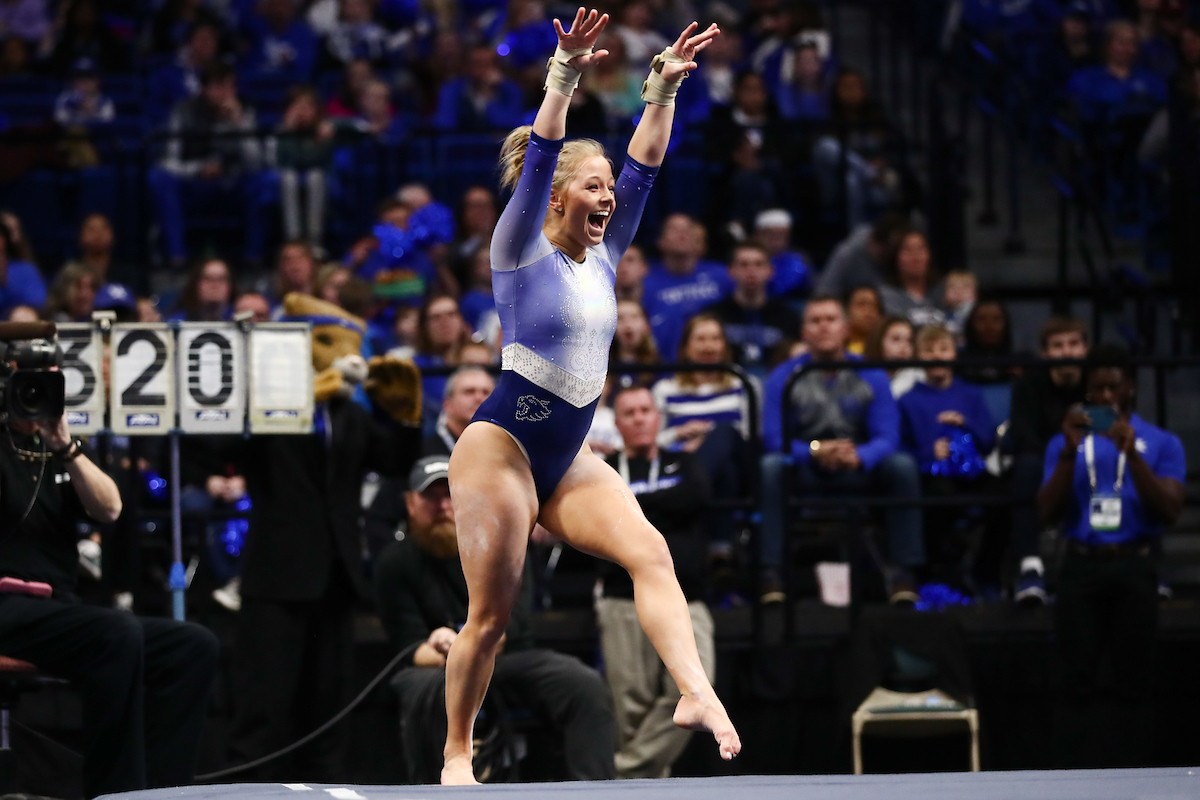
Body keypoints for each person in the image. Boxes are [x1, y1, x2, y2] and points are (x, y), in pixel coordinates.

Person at [440, 10, 740, 784]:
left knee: (651, 553)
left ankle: (695, 692)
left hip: (566, 454)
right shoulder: (517, 250)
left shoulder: (605, 257)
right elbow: (540, 155)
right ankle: (457, 753)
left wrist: (662, 89)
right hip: (500, 446)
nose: (609, 198)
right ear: (558, 198)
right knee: (491, 620)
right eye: (593, 188)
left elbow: (645, 163)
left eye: (610, 190)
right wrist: (564, 76)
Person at [225, 294, 422, 781]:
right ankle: (250, 793)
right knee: (264, 709)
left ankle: (325, 790)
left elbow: (395, 463)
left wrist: (404, 419)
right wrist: (295, 398)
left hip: (336, 577)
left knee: (330, 708)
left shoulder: (350, 415)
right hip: (277, 577)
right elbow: (226, 449)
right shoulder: (268, 405)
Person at [0, 407, 218, 797]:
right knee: (116, 631)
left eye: (49, 382)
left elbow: (109, 508)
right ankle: (117, 793)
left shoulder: (60, 448)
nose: (38, 395)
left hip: (53, 609)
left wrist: (65, 446)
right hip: (5, 605)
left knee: (191, 645)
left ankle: (163, 793)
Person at [373, 456, 616, 783]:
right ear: (411, 504)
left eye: (450, 494)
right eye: (431, 496)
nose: (444, 505)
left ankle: (594, 789)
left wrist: (463, 643)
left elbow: (511, 626)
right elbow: (408, 647)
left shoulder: (503, 543)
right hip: (435, 666)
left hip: (505, 655)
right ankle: (430, 787)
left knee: (581, 683)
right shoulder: (394, 563)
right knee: (425, 690)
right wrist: (444, 647)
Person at [1038, 344, 1184, 768]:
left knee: (1134, 683)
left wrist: (1131, 455)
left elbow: (1170, 510)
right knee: (1073, 682)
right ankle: (1066, 781)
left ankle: (1139, 781)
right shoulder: (1064, 443)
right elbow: (1045, 511)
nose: (1104, 398)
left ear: (1131, 389)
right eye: (1096, 388)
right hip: (1081, 565)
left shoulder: (1162, 442)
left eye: (1113, 388)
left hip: (1135, 566)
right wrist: (1068, 452)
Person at [761, 296, 923, 604]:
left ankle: (903, 572)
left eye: (831, 319)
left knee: (901, 465)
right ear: (804, 332)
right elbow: (773, 438)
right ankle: (771, 573)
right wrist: (814, 450)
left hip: (858, 468)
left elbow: (887, 436)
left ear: (846, 329)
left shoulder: (871, 374)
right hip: (807, 468)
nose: (823, 327)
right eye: (815, 320)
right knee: (770, 467)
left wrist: (860, 456)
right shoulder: (784, 375)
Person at [599, 386, 714, 778]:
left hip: (688, 599)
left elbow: (697, 497)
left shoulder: (683, 463)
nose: (639, 418)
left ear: (658, 417)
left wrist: (631, 511)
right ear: (617, 424)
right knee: (630, 701)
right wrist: (661, 511)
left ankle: (623, 774)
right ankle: (647, 786)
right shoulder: (605, 470)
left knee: (695, 690)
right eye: (629, 413)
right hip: (621, 598)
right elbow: (598, 518)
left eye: (646, 410)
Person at [148, 63, 276, 269]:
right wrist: (198, 169)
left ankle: (254, 258)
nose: (226, 93)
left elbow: (255, 164)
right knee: (159, 178)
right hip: (193, 185)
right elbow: (168, 160)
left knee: (265, 182)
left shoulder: (245, 110)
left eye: (230, 86)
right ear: (204, 89)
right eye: (219, 86)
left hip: (232, 184)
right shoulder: (184, 110)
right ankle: (176, 257)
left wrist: (239, 123)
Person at [899, 326, 1000, 585]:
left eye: (943, 349)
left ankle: (985, 572)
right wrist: (928, 453)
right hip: (932, 477)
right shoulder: (908, 400)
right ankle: (939, 571)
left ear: (954, 353)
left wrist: (965, 425)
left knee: (1002, 495)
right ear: (918, 356)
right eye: (929, 350)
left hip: (971, 471)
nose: (936, 356)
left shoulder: (971, 394)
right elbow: (901, 448)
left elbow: (988, 442)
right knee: (939, 496)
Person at [651, 313, 755, 553]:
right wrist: (679, 433)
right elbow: (655, 441)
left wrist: (708, 438)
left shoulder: (742, 384)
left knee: (725, 432)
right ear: (686, 347)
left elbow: (748, 438)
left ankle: (683, 496)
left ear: (724, 346)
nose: (709, 346)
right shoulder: (666, 389)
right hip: (683, 463)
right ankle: (720, 550)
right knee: (725, 472)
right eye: (701, 339)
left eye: (715, 339)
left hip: (740, 470)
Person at [1009, 317, 1089, 604]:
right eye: (1058, 346)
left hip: (1090, 461)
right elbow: (1023, 433)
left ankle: (1145, 563)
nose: (1066, 351)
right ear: (1045, 353)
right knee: (1026, 466)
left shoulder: (1098, 383)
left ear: (1085, 348)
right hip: (1045, 465)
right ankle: (1029, 566)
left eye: (1073, 344)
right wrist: (1062, 456)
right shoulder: (1029, 385)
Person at [705, 241, 801, 376]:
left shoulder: (790, 317)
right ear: (731, 271)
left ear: (770, 271)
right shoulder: (712, 316)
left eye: (758, 264)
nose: (751, 271)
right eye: (744, 264)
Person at [643, 212, 731, 359]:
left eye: (687, 229)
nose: (682, 234)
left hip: (715, 361)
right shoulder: (646, 282)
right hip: (664, 366)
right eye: (674, 229)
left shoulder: (721, 275)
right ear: (660, 241)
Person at [814, 210, 909, 299]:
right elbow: (824, 293)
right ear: (876, 244)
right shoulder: (848, 254)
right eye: (885, 254)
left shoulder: (896, 259)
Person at [878, 229, 945, 329]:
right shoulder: (886, 295)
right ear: (895, 257)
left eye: (921, 249)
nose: (916, 257)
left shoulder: (943, 290)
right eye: (908, 250)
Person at [427, 366, 494, 456]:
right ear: (447, 403)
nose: (479, 398)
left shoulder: (506, 447)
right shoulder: (422, 445)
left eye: (486, 392)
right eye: (469, 392)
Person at [865, 314, 923, 399]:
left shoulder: (920, 378)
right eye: (896, 339)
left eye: (909, 341)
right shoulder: (862, 376)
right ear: (878, 341)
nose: (903, 346)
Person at [0, 223, 45, 318]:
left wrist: (5, 280)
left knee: (23, 314)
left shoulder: (25, 271)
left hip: (11, 326)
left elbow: (38, 302)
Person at [168, 257, 234, 322]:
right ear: (196, 284)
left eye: (221, 279)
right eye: (208, 278)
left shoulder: (240, 315)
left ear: (230, 285)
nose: (215, 285)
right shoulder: (176, 321)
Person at [845, 285, 882, 355]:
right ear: (847, 310)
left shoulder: (884, 350)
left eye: (874, 305)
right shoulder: (837, 349)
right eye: (861, 304)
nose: (869, 310)